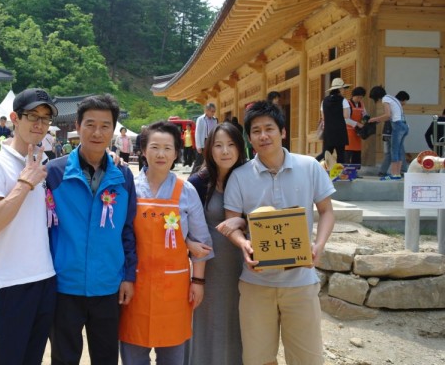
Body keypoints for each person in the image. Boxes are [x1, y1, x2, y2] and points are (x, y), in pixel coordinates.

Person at [222, 100, 336, 365]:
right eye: (256, 131)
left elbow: (327, 211)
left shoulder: (309, 167)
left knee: (307, 359)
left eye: (269, 128)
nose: (263, 136)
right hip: (256, 283)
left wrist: (319, 245)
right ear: (249, 138)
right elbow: (231, 222)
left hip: (301, 281)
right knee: (258, 359)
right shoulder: (239, 176)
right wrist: (243, 245)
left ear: (282, 132)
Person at [46, 94, 137, 365]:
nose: (97, 133)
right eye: (90, 124)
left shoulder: (123, 175)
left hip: (108, 286)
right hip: (64, 286)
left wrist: (128, 275)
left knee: (106, 358)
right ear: (77, 126)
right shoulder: (54, 173)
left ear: (113, 130)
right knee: (63, 358)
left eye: (105, 126)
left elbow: (128, 229)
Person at [0, 88, 58, 364]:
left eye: (45, 118)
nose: (39, 124)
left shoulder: (46, 164)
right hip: (9, 284)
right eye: (33, 116)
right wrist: (24, 183)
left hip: (45, 279)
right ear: (14, 118)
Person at [119, 121, 213, 365]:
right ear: (143, 150)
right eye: (154, 147)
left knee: (173, 356)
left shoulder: (187, 190)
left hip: (174, 288)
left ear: (176, 153)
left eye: (167, 148)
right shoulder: (129, 189)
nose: (161, 154)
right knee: (134, 354)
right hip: (134, 285)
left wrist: (198, 281)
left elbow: (201, 242)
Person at [186, 123, 247, 365]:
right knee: (207, 321)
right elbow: (180, 225)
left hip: (244, 264)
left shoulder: (250, 178)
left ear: (240, 147)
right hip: (209, 267)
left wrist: (242, 221)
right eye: (218, 145)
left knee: (239, 320)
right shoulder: (198, 183)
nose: (225, 151)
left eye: (231, 144)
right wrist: (189, 243)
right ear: (209, 149)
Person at [369, 87, 410, 180]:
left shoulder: (385, 99)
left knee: (394, 151)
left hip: (397, 125)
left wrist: (375, 119)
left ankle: (394, 174)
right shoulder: (392, 98)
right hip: (404, 125)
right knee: (399, 151)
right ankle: (397, 174)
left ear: (377, 96)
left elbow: (388, 115)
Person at [320, 78, 359, 164]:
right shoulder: (343, 100)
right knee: (340, 154)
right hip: (340, 131)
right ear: (339, 89)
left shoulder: (324, 101)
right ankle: (339, 171)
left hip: (328, 131)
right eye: (343, 88)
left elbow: (323, 117)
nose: (344, 90)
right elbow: (346, 115)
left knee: (327, 154)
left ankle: (324, 170)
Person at [192, 103, 217, 174]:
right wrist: (198, 146)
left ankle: (207, 174)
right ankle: (193, 176)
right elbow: (198, 132)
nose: (213, 113)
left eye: (214, 111)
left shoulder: (215, 120)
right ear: (207, 110)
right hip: (203, 141)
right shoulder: (200, 119)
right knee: (199, 161)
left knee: (210, 159)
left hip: (211, 141)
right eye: (212, 111)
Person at [344, 87, 367, 164]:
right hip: (348, 133)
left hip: (357, 133)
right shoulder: (347, 104)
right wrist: (357, 124)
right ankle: (346, 170)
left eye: (361, 97)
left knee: (356, 154)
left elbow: (364, 114)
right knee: (347, 155)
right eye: (358, 97)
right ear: (353, 95)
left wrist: (365, 120)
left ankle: (355, 170)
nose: (359, 99)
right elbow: (346, 119)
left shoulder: (362, 104)